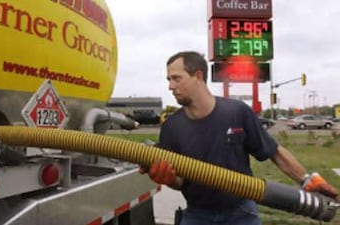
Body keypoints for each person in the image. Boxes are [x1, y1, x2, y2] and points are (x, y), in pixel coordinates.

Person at [140, 51, 339, 225]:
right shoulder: (172, 127)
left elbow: (274, 152)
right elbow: (179, 181)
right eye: (168, 80)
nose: (170, 86)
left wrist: (307, 181)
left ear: (198, 76)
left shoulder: (237, 112)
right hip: (197, 215)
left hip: (241, 213)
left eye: (176, 78)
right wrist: (166, 178)